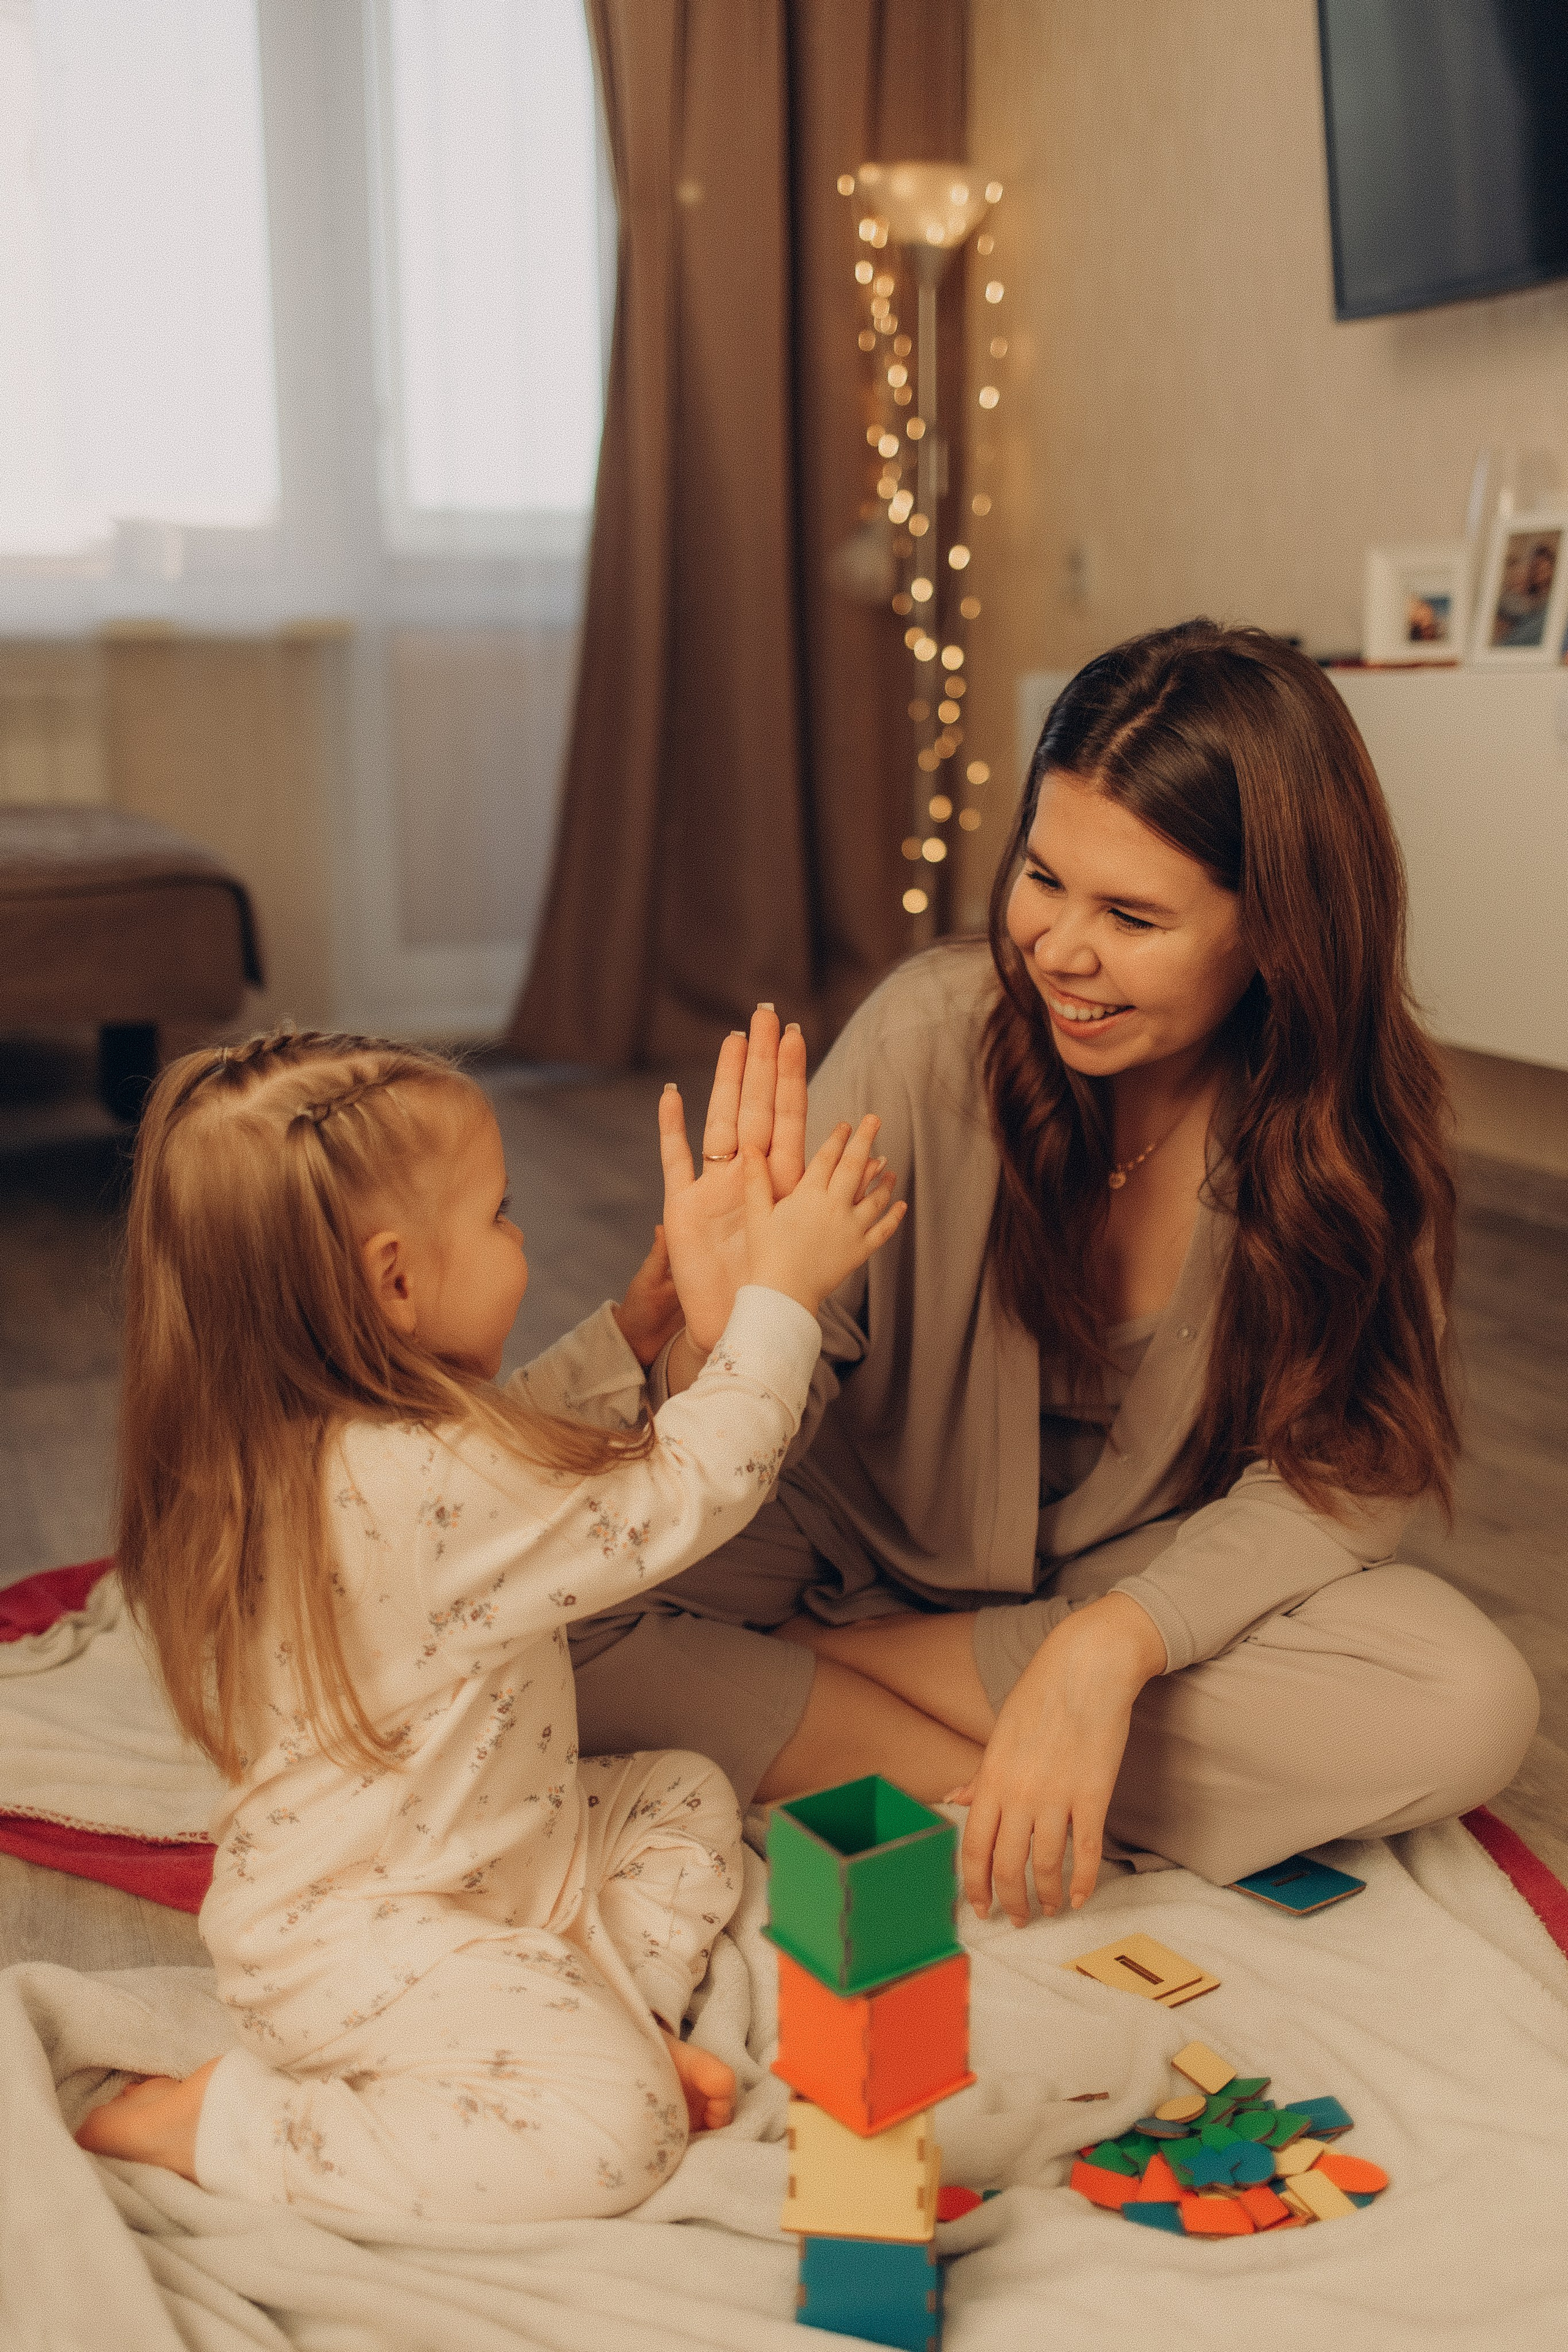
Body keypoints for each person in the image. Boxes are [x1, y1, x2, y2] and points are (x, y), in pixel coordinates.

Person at [567, 620, 1539, 1930]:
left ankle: (818, 1697)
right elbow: (750, 1415)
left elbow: (1343, 1474)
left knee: (1464, 1701)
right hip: (832, 1537)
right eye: (1042, 877)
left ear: (1277, 934)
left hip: (1120, 1582)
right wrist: (722, 1335)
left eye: (1131, 917)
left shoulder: (1352, 1135)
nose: (1057, 951)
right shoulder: (925, 1037)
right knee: (543, 1610)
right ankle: (987, 1779)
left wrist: (1111, 1646)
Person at [74, 1025, 903, 2223]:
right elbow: (687, 1489)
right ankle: (226, 2123)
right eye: (504, 1215)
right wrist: (782, 1300)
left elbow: (505, 1452)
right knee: (620, 2141)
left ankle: (601, 2011)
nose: (521, 1238)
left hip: (501, 1864)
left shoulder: (331, 1442)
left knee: (682, 1796)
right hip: (366, 1939)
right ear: (396, 1280)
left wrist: (631, 1333)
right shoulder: (412, 1487)